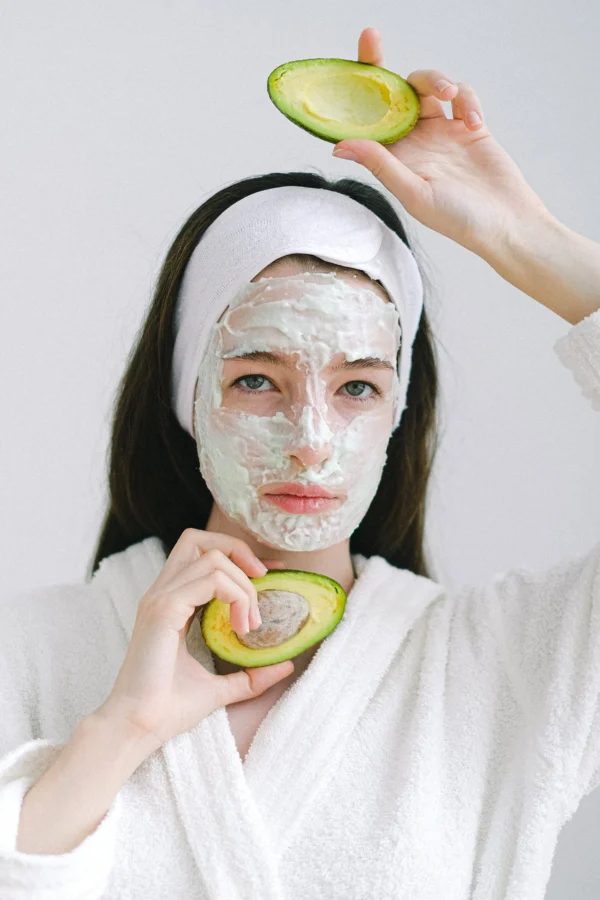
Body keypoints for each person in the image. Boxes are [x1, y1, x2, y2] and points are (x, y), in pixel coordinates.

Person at [1, 28, 600, 900]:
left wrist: (526, 238)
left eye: (357, 388)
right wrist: (120, 729)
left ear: (399, 412)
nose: (311, 438)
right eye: (256, 379)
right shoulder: (32, 650)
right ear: (186, 397)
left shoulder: (508, 666)